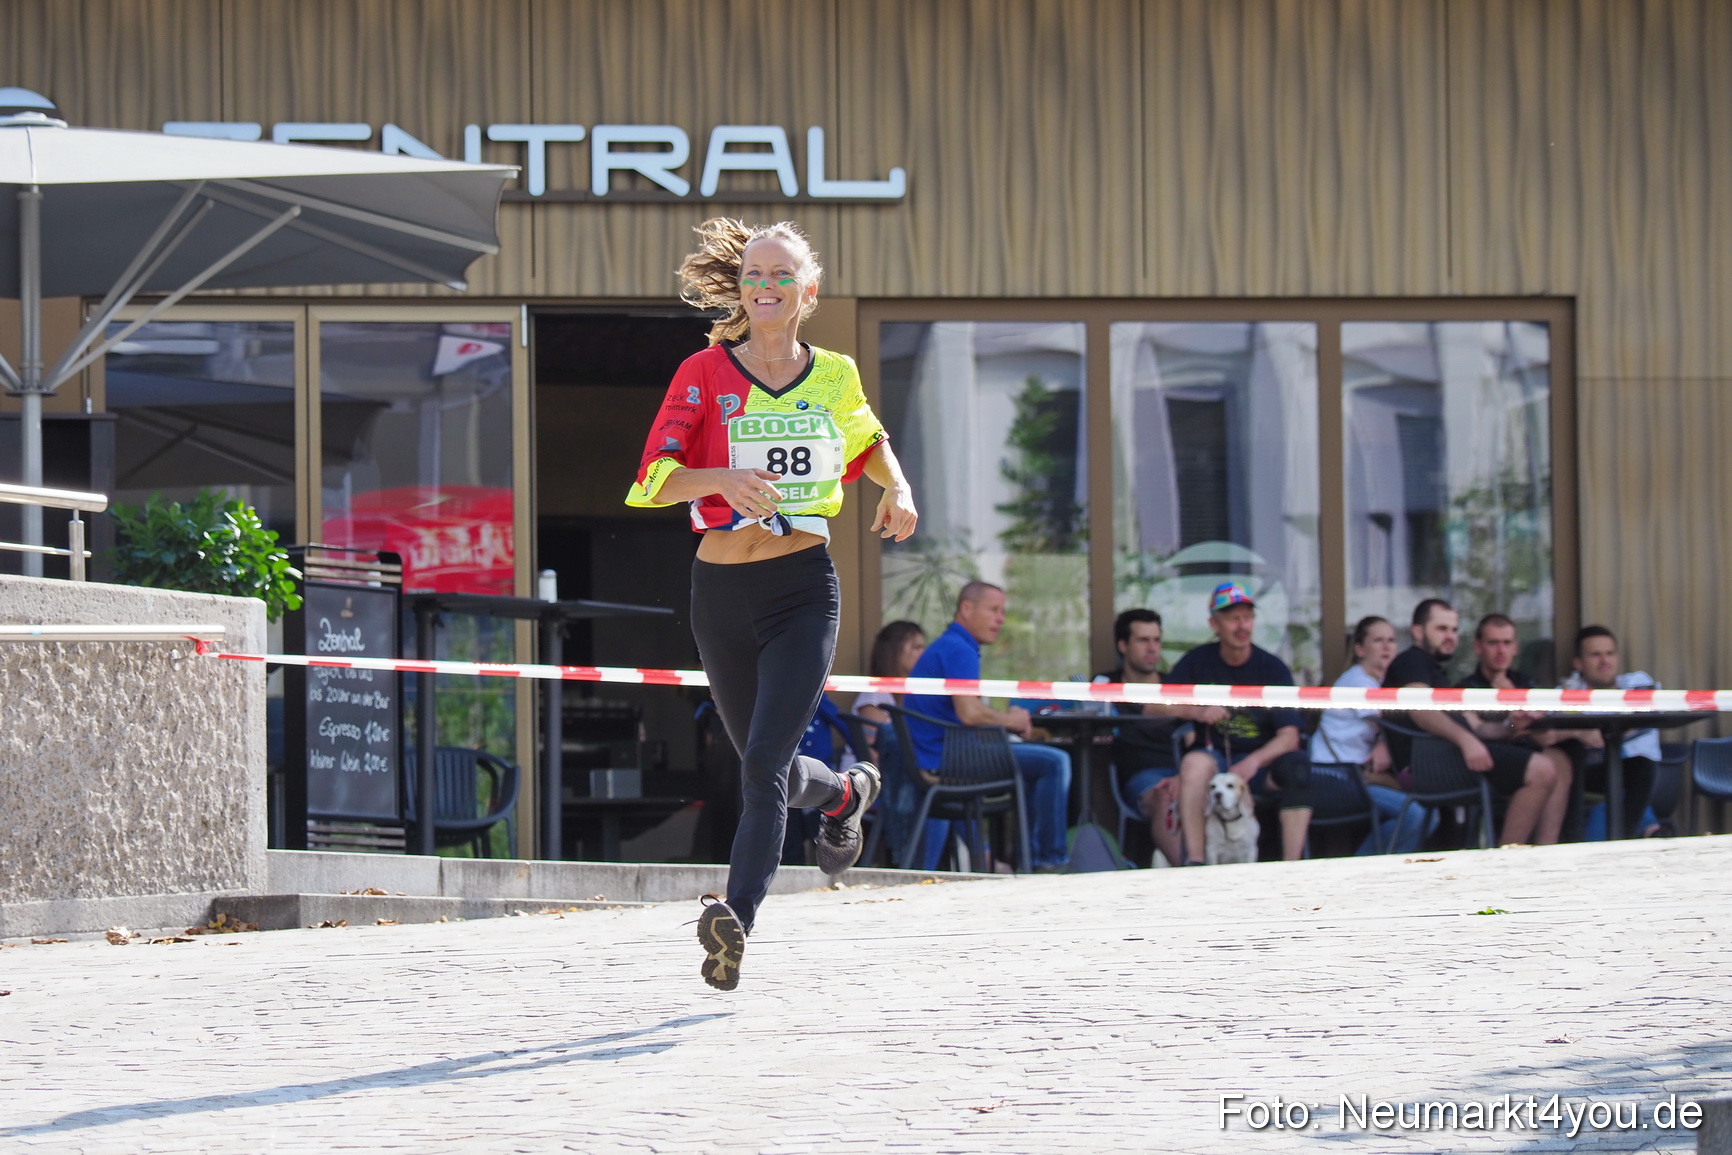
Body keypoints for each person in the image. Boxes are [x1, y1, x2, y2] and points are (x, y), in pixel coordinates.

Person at [624, 217, 918, 991]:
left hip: (801, 591)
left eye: (781, 275)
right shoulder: (702, 372)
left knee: (759, 765)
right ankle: (848, 791)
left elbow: (867, 439)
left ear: (807, 291)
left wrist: (899, 485)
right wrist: (718, 479)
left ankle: (736, 921)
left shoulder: (836, 374)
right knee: (776, 772)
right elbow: (653, 475)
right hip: (719, 592)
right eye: (754, 274)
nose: (764, 286)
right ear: (742, 287)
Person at [902, 582, 1072, 871]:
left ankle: (1027, 857)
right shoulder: (959, 649)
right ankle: (1049, 862)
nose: (1001, 619)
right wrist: (1012, 720)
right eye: (994, 610)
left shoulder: (949, 645)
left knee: (1035, 765)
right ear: (966, 609)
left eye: (1003, 611)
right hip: (951, 759)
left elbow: (966, 713)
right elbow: (969, 713)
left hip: (938, 756)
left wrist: (1003, 722)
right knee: (1055, 762)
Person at [1382, 599, 1570, 845]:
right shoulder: (1410, 661)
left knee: (1555, 761)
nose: (1450, 636)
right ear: (1418, 632)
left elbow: (1480, 726)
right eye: (1441, 629)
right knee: (1541, 769)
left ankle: (1538, 852)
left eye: (1454, 629)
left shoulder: (1439, 674)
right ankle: (1507, 861)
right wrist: (1466, 740)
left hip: (1453, 759)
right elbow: (1420, 709)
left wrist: (1512, 726)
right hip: (1430, 766)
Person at [1169, 582, 1313, 864]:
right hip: (1214, 763)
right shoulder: (1196, 662)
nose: (1242, 625)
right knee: (1193, 765)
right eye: (1233, 618)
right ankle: (1197, 863)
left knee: (1297, 766)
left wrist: (1253, 763)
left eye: (1247, 617)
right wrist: (1197, 711)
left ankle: (1292, 868)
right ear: (1214, 624)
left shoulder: (1272, 667)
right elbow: (1153, 704)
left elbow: (1289, 736)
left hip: (1257, 768)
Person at [1309, 616, 1434, 854]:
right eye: (1378, 640)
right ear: (1359, 649)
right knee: (1415, 814)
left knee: (1427, 812)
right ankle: (1361, 870)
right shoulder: (1357, 681)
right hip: (1332, 778)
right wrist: (1384, 741)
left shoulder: (1377, 684)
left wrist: (1382, 742)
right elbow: (1387, 721)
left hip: (1354, 776)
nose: (1387, 647)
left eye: (1391, 640)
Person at [1093, 608, 1190, 868]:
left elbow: (1196, 741)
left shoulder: (1177, 686)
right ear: (1122, 645)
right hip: (1140, 781)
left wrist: (1185, 777)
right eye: (1143, 640)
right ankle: (1194, 876)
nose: (1152, 648)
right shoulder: (1105, 687)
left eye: (1156, 640)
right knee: (1164, 797)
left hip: (1186, 774)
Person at [1559, 625, 1661, 839]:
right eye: (1595, 655)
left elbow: (1654, 707)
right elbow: (1547, 730)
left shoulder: (1636, 684)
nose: (1605, 661)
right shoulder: (1568, 694)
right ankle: (1646, 831)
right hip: (1588, 772)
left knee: (1642, 767)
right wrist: (1580, 733)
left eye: (1610, 653)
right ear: (1578, 663)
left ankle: (1625, 838)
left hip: (1634, 771)